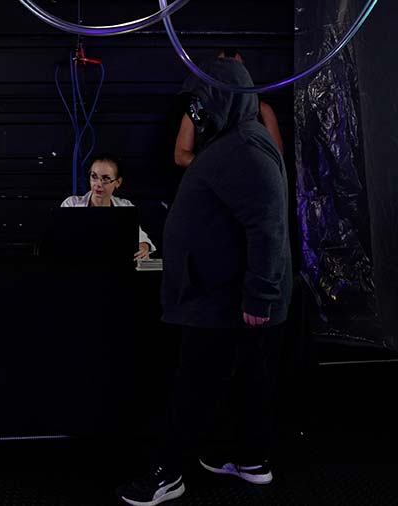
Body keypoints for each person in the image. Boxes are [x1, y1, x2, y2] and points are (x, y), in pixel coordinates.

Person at [117, 51, 291, 505]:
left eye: (202, 101)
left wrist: (259, 297)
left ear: (226, 98)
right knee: (244, 379)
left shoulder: (246, 147)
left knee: (193, 384)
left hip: (224, 298)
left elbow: (268, 227)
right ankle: (249, 458)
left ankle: (167, 474)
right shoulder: (232, 140)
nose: (196, 111)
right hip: (222, 293)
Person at [174, 48, 283, 168]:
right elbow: (180, 155)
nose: (230, 72)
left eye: (235, 67)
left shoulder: (263, 110)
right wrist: (215, 165)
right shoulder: (198, 109)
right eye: (224, 66)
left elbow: (275, 155)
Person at [60, 153, 156, 260]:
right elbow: (59, 240)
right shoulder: (71, 205)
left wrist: (144, 246)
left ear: (118, 182)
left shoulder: (125, 207)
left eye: (105, 178)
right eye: (94, 176)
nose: (98, 184)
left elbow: (140, 237)